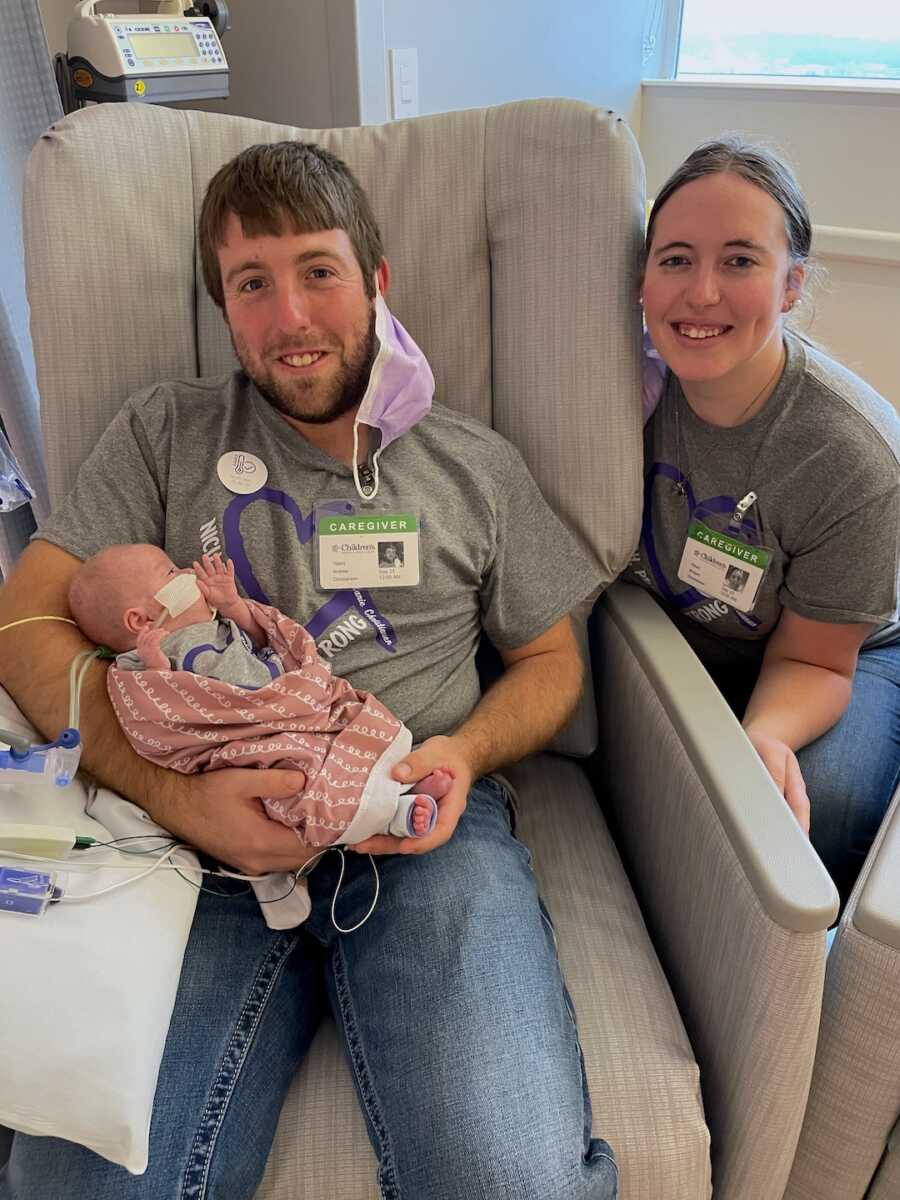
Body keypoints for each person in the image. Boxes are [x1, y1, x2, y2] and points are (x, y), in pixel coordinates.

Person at [0, 140, 616, 1199]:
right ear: (224, 308)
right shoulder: (163, 433)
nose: (289, 318)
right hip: (199, 851)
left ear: (376, 281)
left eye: (318, 272)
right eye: (252, 283)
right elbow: (21, 620)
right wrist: (172, 793)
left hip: (423, 830)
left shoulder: (474, 464)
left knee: (507, 1178)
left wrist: (461, 754)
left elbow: (555, 660)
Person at [628, 136, 900, 907]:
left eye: (741, 261)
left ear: (791, 286)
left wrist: (766, 735)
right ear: (641, 280)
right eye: (675, 259)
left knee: (822, 803)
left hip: (834, 651)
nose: (701, 294)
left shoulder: (853, 457)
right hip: (697, 630)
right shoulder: (621, 389)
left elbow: (816, 661)